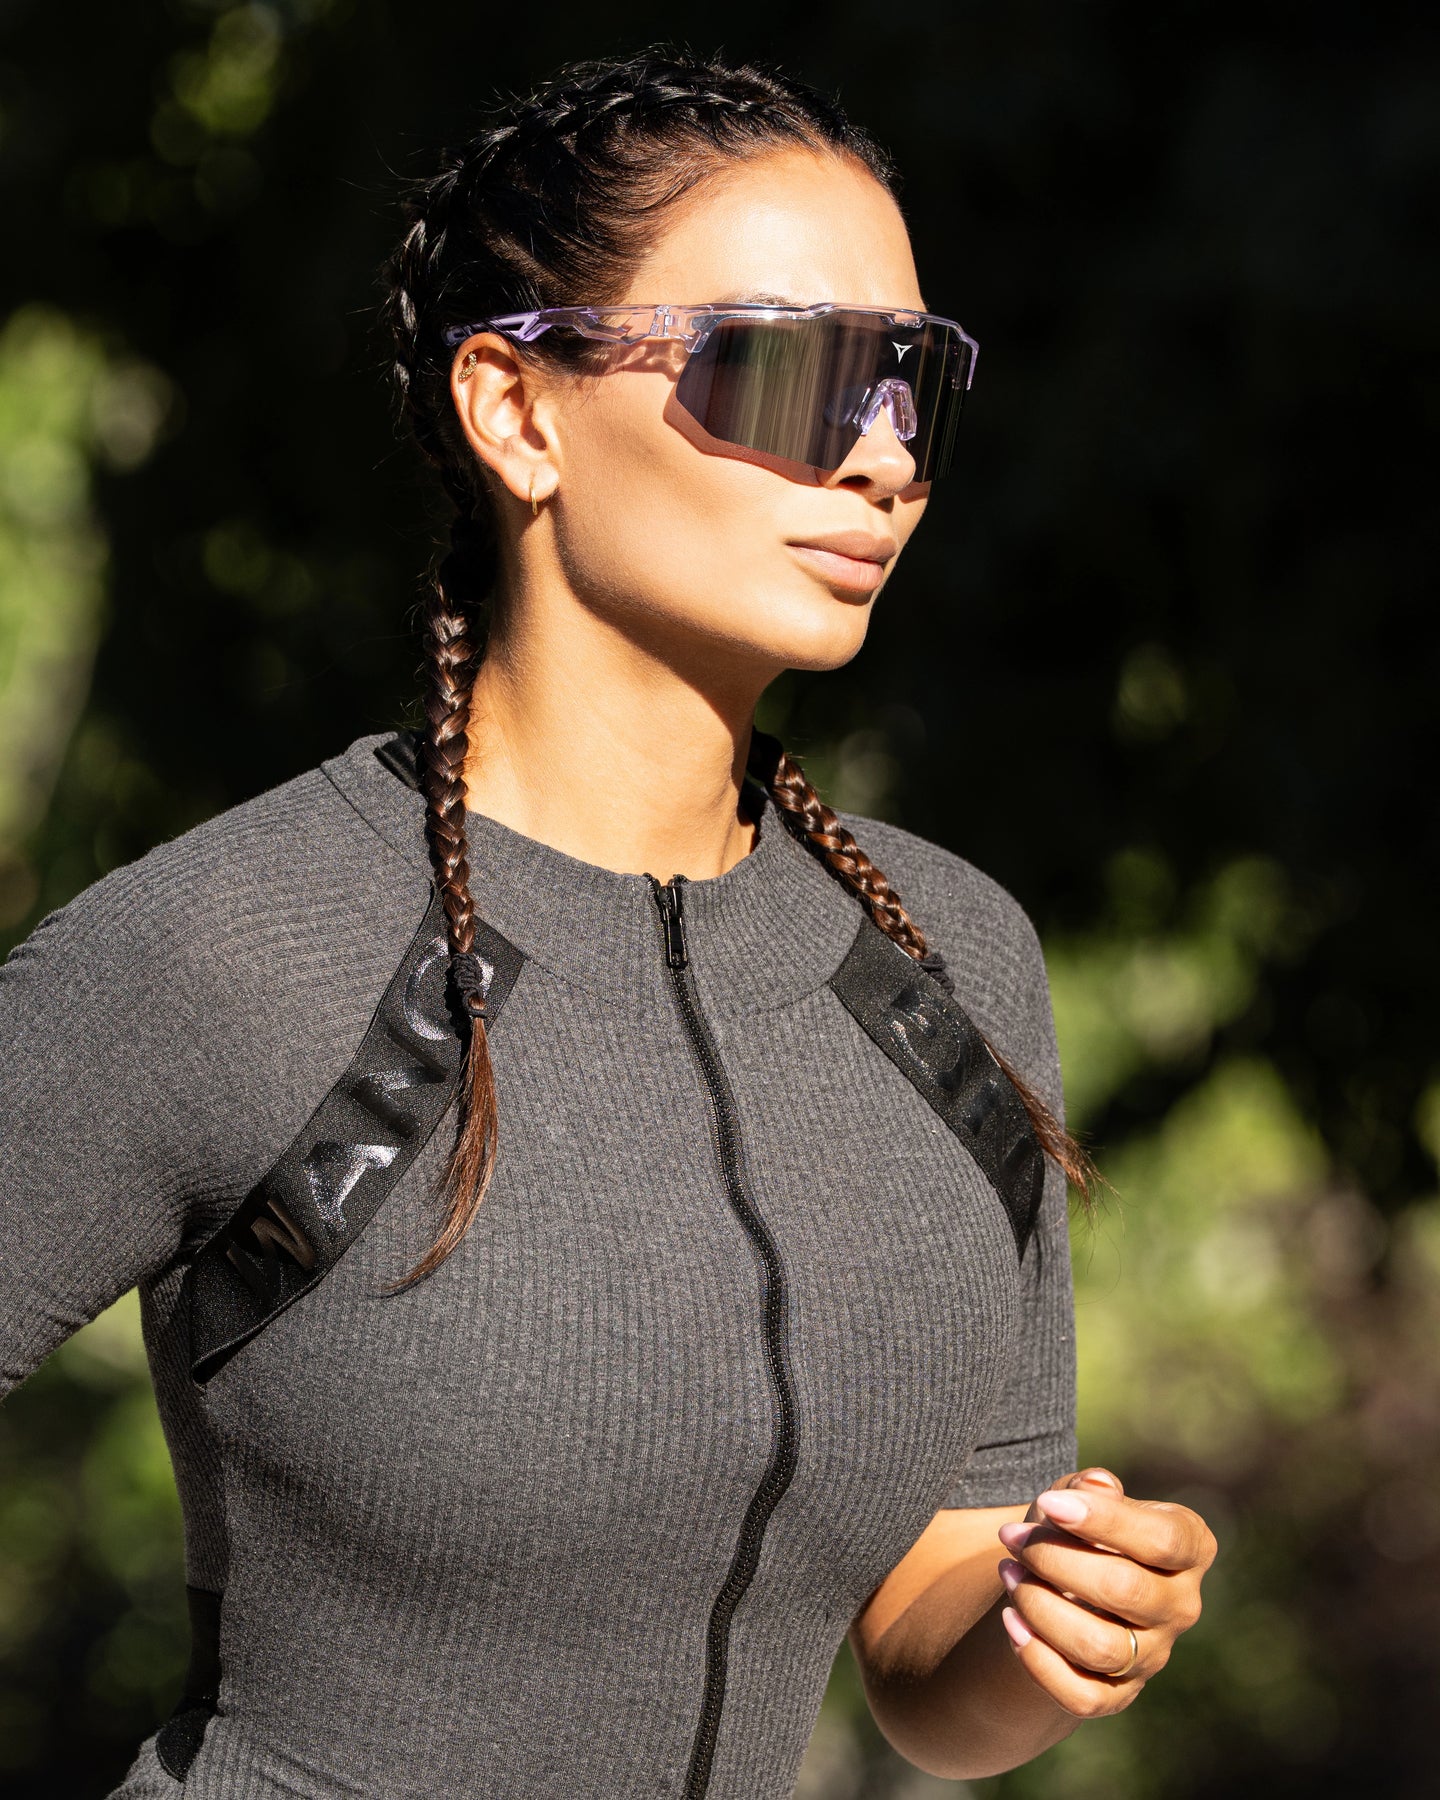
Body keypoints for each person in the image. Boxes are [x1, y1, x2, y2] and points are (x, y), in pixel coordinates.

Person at [0, 46, 1216, 1800]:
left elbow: (921, 1664)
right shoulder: (229, 950)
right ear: (517, 409)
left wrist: (1048, 1626)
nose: (883, 455)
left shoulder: (948, 960)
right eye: (789, 369)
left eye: (915, 383)